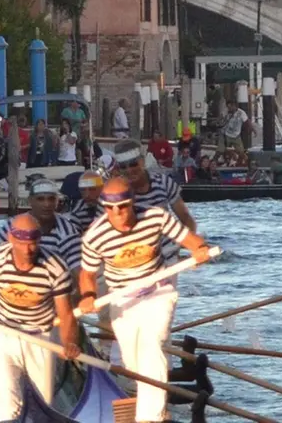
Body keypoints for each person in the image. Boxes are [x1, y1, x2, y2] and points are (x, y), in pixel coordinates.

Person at [77, 177, 213, 423]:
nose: (117, 214)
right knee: (132, 361)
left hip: (157, 290)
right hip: (121, 298)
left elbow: (190, 239)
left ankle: (150, 417)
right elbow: (86, 274)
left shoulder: (155, 216)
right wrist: (88, 296)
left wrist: (200, 249)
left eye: (123, 206)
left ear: (133, 202)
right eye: (110, 208)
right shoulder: (94, 236)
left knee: (151, 345)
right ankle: (142, 404)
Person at [0, 214, 81, 422]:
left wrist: (70, 342)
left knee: (43, 404)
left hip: (39, 337)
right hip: (0, 334)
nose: (28, 251)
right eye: (22, 244)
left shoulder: (55, 267)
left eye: (33, 244)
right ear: (11, 239)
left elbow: (66, 314)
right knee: (8, 404)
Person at [0, 179, 82, 265]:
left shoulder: (68, 230)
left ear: (57, 201)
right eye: (40, 199)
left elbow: (75, 265)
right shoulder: (11, 226)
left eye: (51, 199)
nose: (47, 204)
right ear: (30, 201)